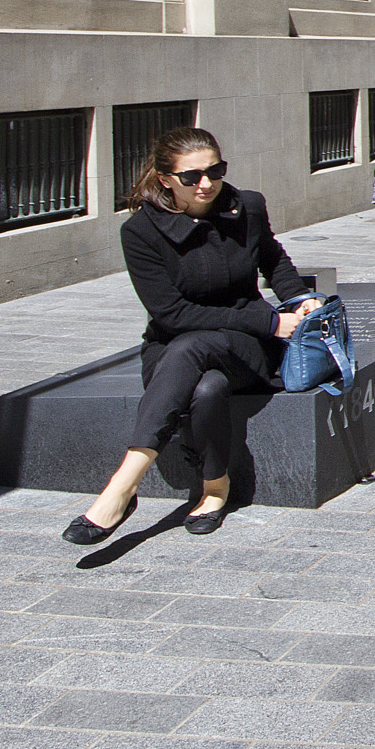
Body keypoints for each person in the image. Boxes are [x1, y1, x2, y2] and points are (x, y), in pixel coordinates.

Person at [64, 127, 319, 544]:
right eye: (191, 176)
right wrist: (269, 321)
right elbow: (172, 313)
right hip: (177, 345)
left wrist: (297, 301)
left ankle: (123, 486)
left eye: (215, 171)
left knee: (195, 350)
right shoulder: (141, 233)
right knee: (206, 388)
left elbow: (273, 260)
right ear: (165, 179)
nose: (207, 183)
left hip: (248, 347)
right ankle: (216, 487)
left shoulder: (247, 207)